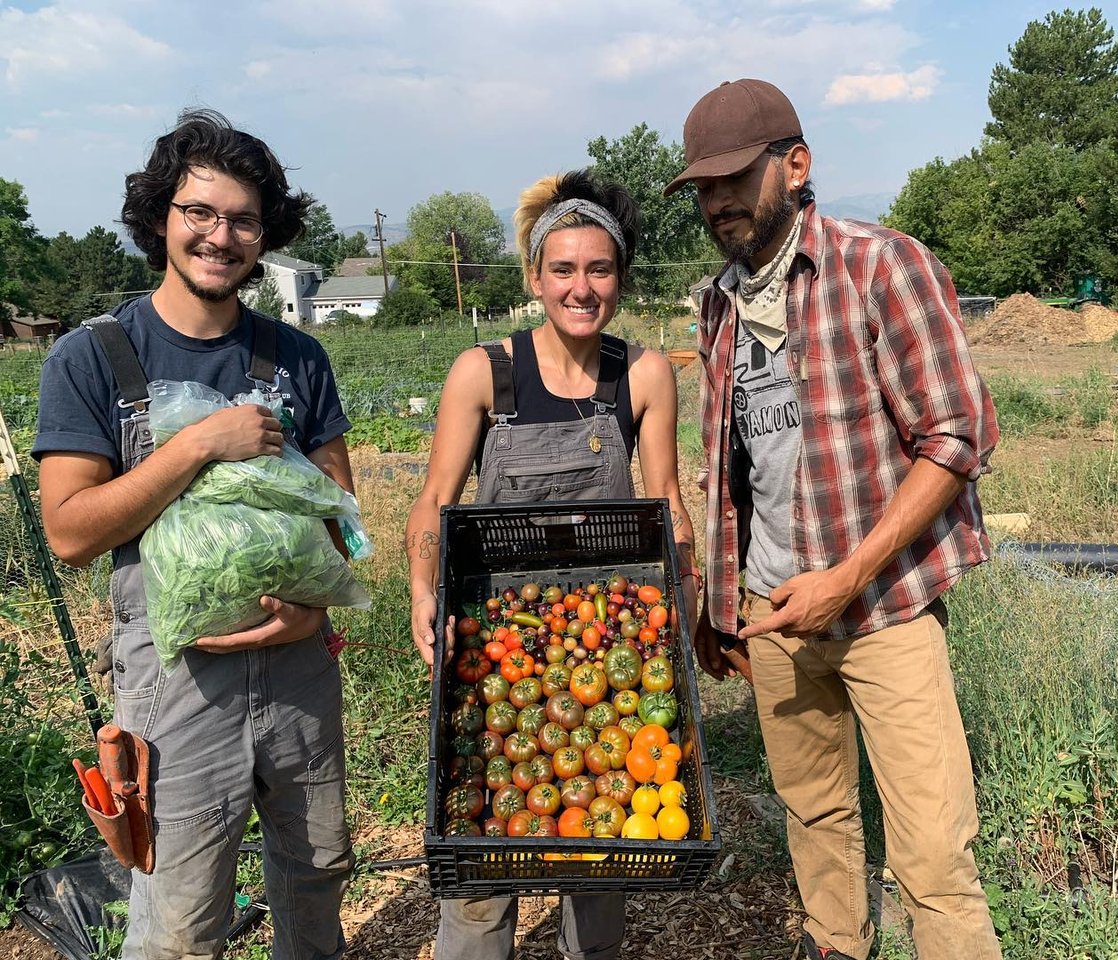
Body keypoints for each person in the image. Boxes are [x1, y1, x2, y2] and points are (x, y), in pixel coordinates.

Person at [664, 79, 1003, 960]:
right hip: (772, 615)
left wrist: (846, 578)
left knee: (932, 851)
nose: (719, 201)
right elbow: (730, 460)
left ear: (797, 164)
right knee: (814, 816)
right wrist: (717, 602)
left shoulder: (879, 264)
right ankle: (835, 946)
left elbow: (959, 435)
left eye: (735, 178)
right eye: (703, 187)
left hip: (882, 612)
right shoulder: (719, 302)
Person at [34, 109, 355, 960]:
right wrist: (199, 444)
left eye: (244, 219)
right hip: (175, 684)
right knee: (178, 920)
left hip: (296, 676)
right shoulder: (92, 357)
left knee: (317, 875)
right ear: (160, 218)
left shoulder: (297, 358)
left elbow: (343, 522)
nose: (221, 236)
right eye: (199, 213)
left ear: (265, 233)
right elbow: (69, 531)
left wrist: (310, 610)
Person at [405, 169, 698, 960]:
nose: (581, 287)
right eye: (562, 269)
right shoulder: (484, 373)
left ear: (620, 278)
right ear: (535, 278)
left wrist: (687, 603)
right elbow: (436, 498)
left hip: (609, 629)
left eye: (599, 270)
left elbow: (667, 498)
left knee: (601, 858)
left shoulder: (641, 375)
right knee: (479, 842)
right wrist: (421, 590)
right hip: (492, 623)